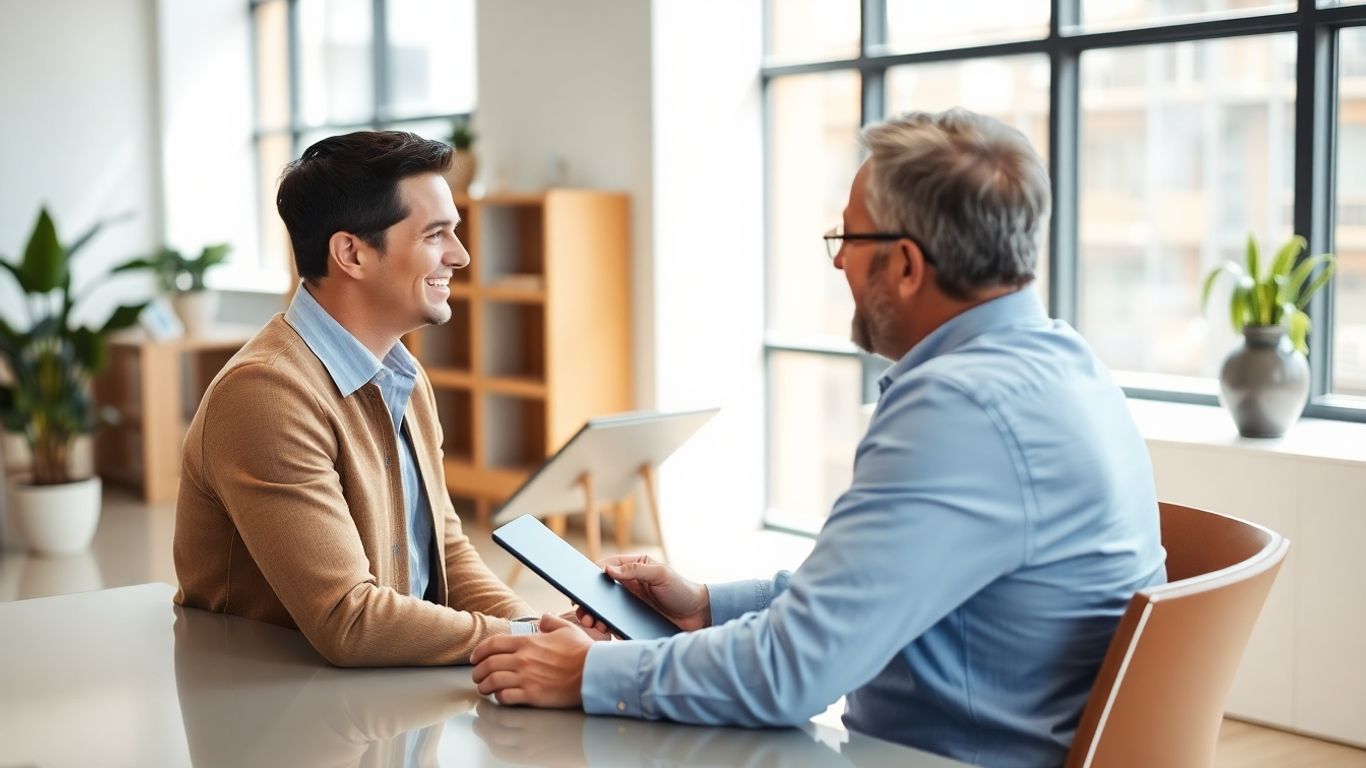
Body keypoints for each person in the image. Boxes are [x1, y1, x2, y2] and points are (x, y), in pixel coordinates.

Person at [469, 109, 1167, 767]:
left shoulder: (959, 407)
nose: (837, 265)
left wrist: (590, 672)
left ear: (905, 265)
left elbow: (791, 674)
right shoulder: (1065, 364)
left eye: (848, 240)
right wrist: (707, 605)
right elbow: (872, 587)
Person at [174, 131, 541, 666]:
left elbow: (445, 549)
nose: (460, 256)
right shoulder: (266, 394)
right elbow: (348, 619)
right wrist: (523, 639)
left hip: (385, 702)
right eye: (435, 235)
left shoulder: (404, 376)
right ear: (351, 253)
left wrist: (536, 627)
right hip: (284, 726)